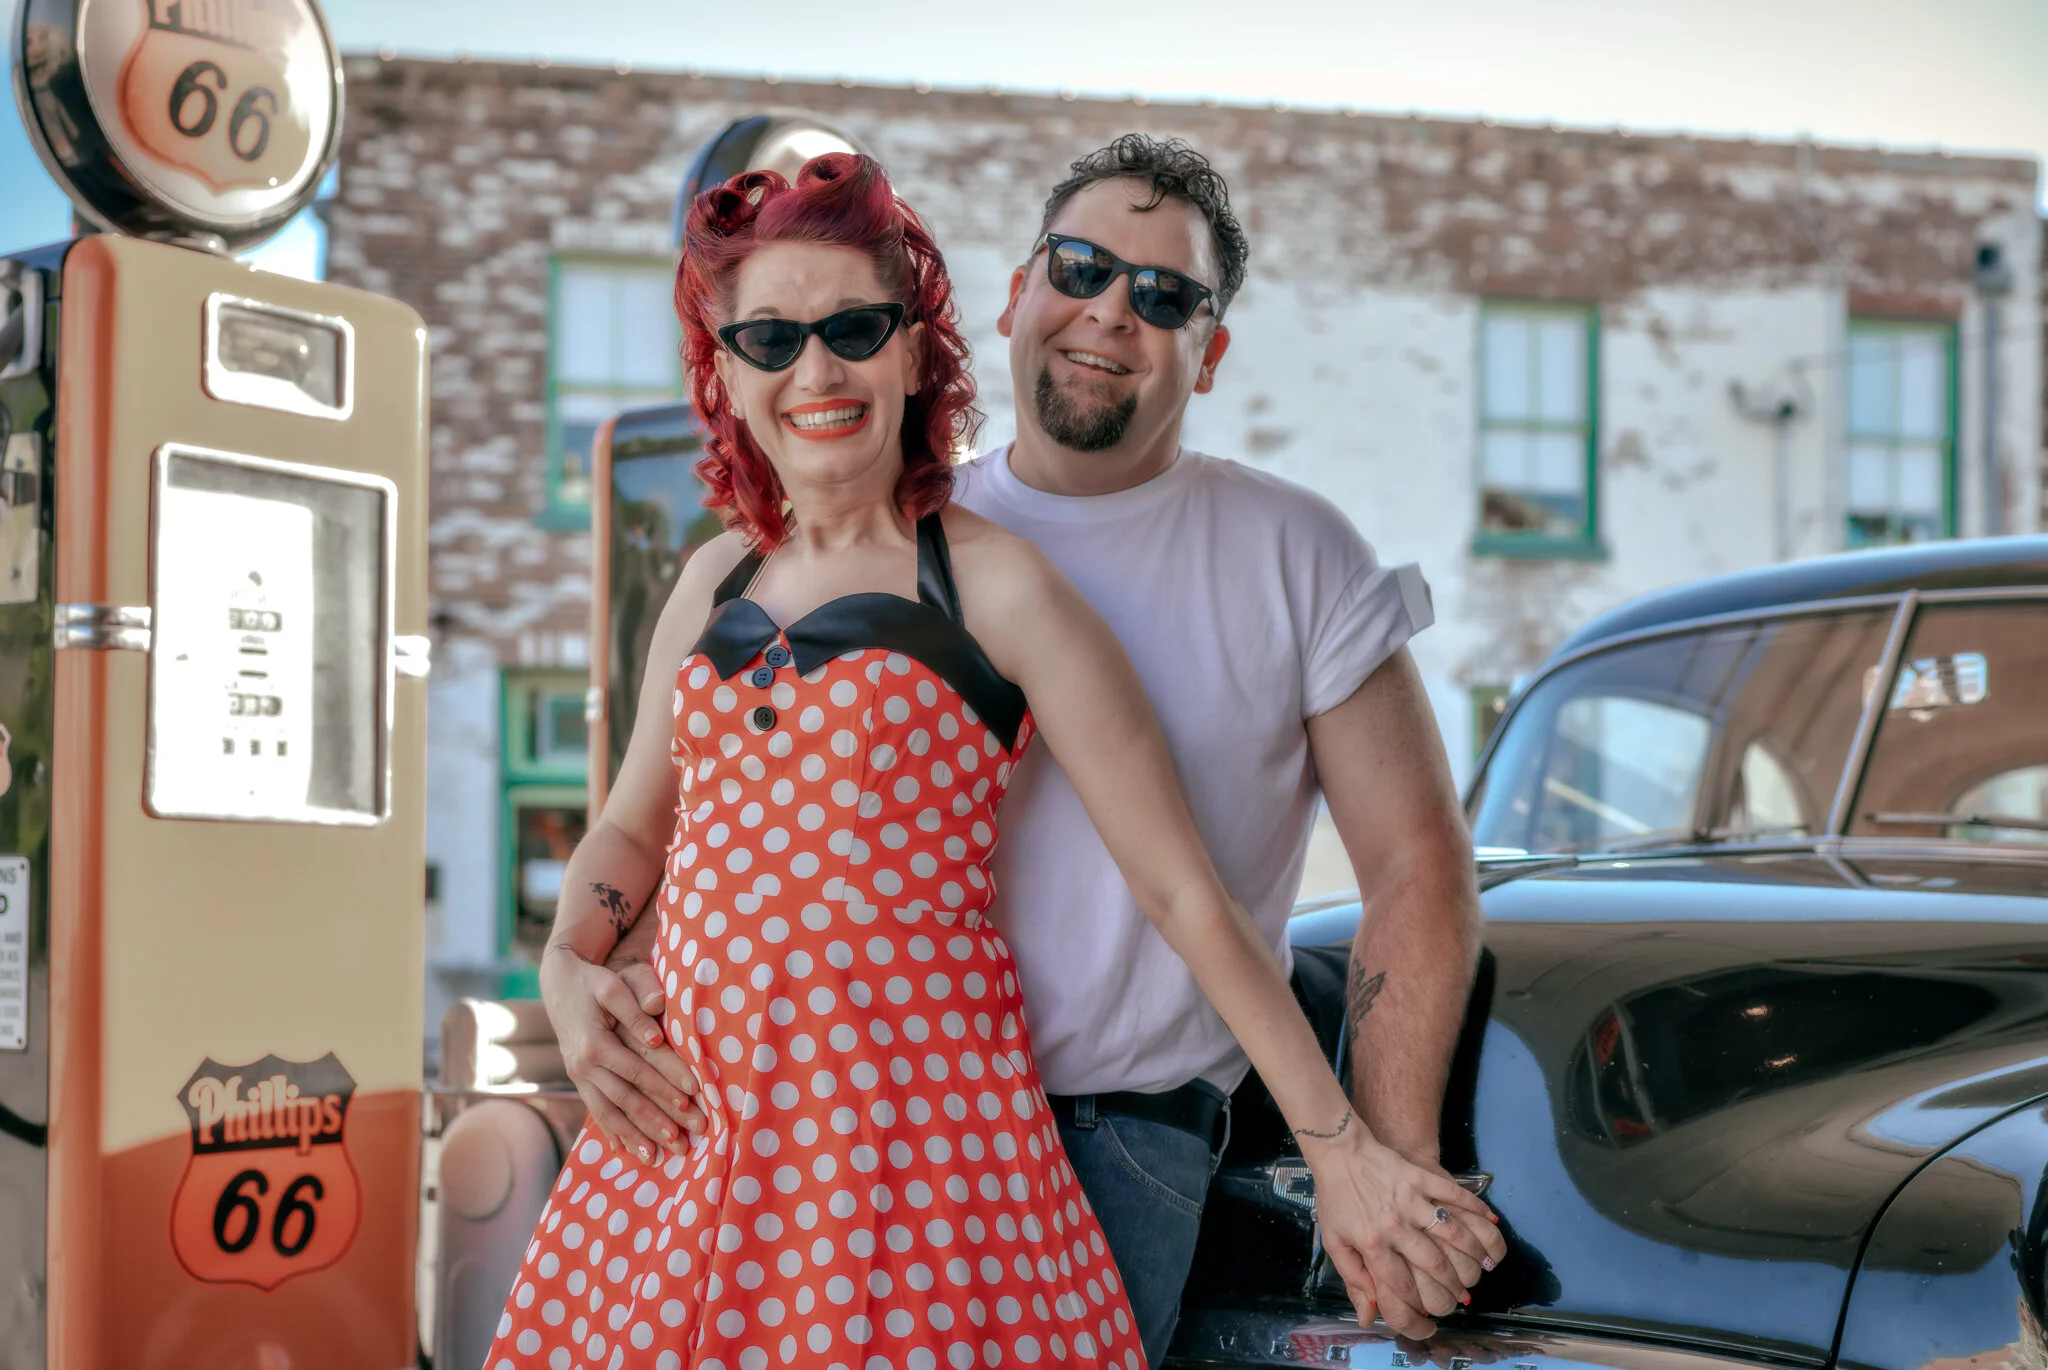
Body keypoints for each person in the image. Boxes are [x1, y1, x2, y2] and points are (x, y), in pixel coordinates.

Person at [490, 152, 1494, 1370]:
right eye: (770, 339)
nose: (816, 369)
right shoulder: (725, 572)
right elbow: (641, 831)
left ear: (913, 348)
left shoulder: (1040, 574)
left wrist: (1354, 1150)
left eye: (853, 329)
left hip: (968, 1132)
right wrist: (564, 966)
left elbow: (1217, 885)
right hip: (704, 1126)